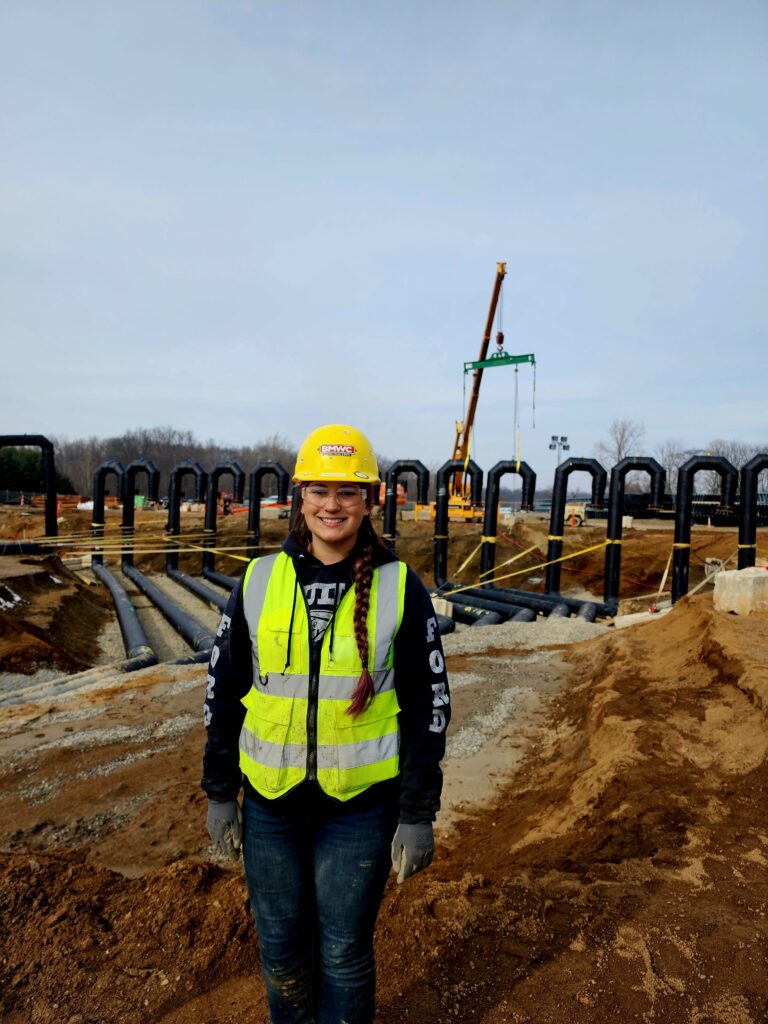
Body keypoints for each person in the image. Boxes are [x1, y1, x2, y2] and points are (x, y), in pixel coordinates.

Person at [202, 423, 450, 1024]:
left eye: (347, 492)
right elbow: (223, 689)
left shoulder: (399, 589)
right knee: (282, 951)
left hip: (360, 809)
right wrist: (219, 793)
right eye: (319, 490)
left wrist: (417, 814)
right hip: (269, 804)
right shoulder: (259, 581)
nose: (331, 505)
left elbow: (428, 707)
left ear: (370, 501)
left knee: (342, 954)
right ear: (299, 498)